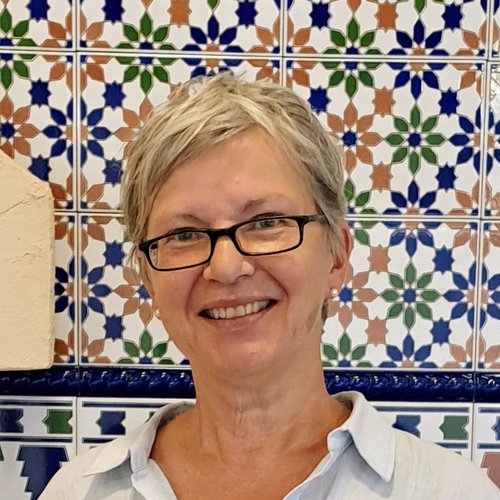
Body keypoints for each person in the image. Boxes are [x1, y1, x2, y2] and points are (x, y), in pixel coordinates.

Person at [41, 73, 498, 499]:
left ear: (337, 255)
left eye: (265, 222)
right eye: (184, 234)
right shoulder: (79, 491)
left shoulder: (452, 491)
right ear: (147, 276)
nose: (225, 267)